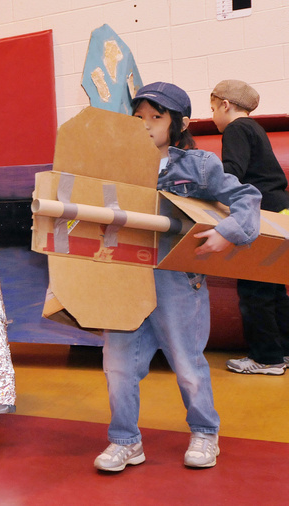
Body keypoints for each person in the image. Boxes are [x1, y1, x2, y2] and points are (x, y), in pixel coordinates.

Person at [94, 82, 261, 472]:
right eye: (138, 118)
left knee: (187, 365)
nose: (146, 125)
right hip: (124, 278)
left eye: (156, 117)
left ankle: (205, 433)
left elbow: (247, 198)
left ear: (178, 123)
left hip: (176, 281)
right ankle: (125, 442)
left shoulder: (197, 166)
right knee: (117, 366)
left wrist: (227, 233)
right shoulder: (112, 165)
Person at [210, 79, 289, 376]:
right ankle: (283, 350)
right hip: (280, 209)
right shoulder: (255, 129)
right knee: (274, 289)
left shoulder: (235, 129)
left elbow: (231, 173)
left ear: (225, 105)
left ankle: (266, 359)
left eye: (213, 108)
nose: (215, 115)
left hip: (261, 212)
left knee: (254, 289)